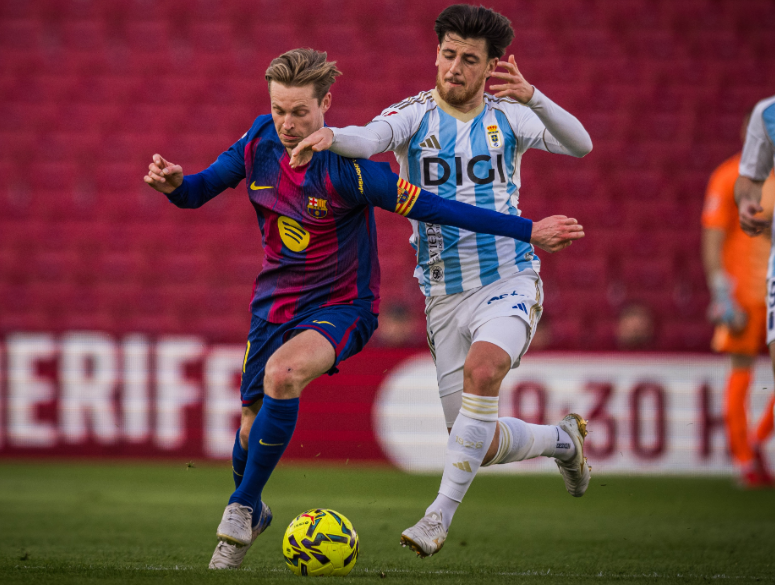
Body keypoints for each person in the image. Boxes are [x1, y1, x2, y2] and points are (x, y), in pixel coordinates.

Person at [143, 48, 584, 569]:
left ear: (325, 104)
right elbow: (196, 191)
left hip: (343, 305)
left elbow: (437, 206)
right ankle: (254, 507)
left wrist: (526, 228)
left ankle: (239, 507)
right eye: (279, 110)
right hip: (273, 306)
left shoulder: (353, 171)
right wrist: (174, 186)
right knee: (248, 426)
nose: (287, 123)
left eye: (300, 112)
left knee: (283, 376)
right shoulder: (256, 143)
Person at [290, 5, 593, 556]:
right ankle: (560, 440)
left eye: (469, 59)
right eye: (448, 54)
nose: (454, 67)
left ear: (489, 66)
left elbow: (580, 144)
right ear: (436, 54)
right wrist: (330, 135)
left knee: (484, 372)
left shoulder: (511, 116)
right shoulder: (414, 115)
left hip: (508, 276)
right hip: (443, 292)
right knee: (472, 438)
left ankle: (436, 517)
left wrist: (535, 97)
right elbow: (367, 137)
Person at [702, 112, 775, 488]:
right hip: (744, 295)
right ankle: (745, 461)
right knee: (741, 371)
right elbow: (713, 239)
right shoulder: (729, 176)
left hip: (773, 291)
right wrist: (721, 294)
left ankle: (757, 441)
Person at [735, 95, 775, 489]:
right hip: (753, 286)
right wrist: (746, 203)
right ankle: (746, 454)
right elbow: (747, 182)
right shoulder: (767, 113)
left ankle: (756, 443)